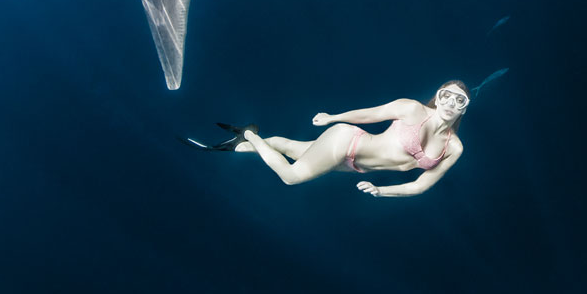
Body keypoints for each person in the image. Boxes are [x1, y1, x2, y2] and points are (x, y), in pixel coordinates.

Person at [200, 80, 469, 197]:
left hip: (351, 164)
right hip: (346, 141)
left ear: (464, 107)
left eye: (459, 99)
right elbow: (370, 114)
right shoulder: (412, 109)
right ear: (438, 95)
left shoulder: (454, 147)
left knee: (290, 148)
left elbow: (421, 186)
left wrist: (381, 191)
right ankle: (248, 133)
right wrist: (332, 118)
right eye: (445, 94)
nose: (450, 102)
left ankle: (232, 147)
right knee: (291, 176)